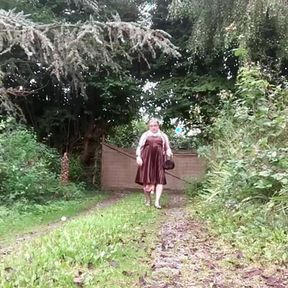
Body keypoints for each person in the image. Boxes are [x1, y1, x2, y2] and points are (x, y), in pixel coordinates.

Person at [135, 119, 173, 208]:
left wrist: (169, 152)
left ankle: (157, 202)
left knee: (160, 180)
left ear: (158, 126)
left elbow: (167, 148)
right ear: (149, 127)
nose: (153, 127)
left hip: (159, 160)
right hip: (146, 160)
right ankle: (148, 200)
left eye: (155, 125)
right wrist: (138, 157)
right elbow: (139, 147)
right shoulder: (145, 135)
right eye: (151, 126)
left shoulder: (163, 136)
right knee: (146, 181)